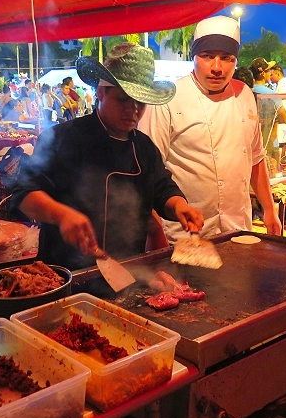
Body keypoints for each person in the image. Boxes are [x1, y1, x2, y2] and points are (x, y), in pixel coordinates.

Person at [11, 43, 204, 274]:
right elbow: (23, 194)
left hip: (126, 272)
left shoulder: (143, 147)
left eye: (140, 103)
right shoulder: (62, 138)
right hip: (65, 274)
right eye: (123, 99)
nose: (132, 110)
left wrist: (179, 206)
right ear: (101, 92)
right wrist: (62, 215)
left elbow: (162, 188)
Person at [139, 15, 281, 241]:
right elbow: (147, 172)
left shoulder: (244, 94)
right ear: (193, 57)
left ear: (236, 60)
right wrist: (155, 234)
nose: (217, 67)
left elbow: (255, 158)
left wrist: (270, 209)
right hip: (184, 235)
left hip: (238, 229)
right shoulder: (167, 99)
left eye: (226, 58)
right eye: (207, 56)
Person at [248, 57, 286, 170]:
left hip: (250, 145)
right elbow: (284, 118)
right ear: (262, 74)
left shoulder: (246, 91)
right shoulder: (271, 94)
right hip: (269, 143)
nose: (270, 73)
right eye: (268, 71)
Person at [269, 65, 286, 145]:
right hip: (284, 120)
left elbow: (277, 104)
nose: (270, 77)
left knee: (279, 145)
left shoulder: (283, 86)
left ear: (278, 74)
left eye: (271, 75)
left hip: (281, 121)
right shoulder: (283, 85)